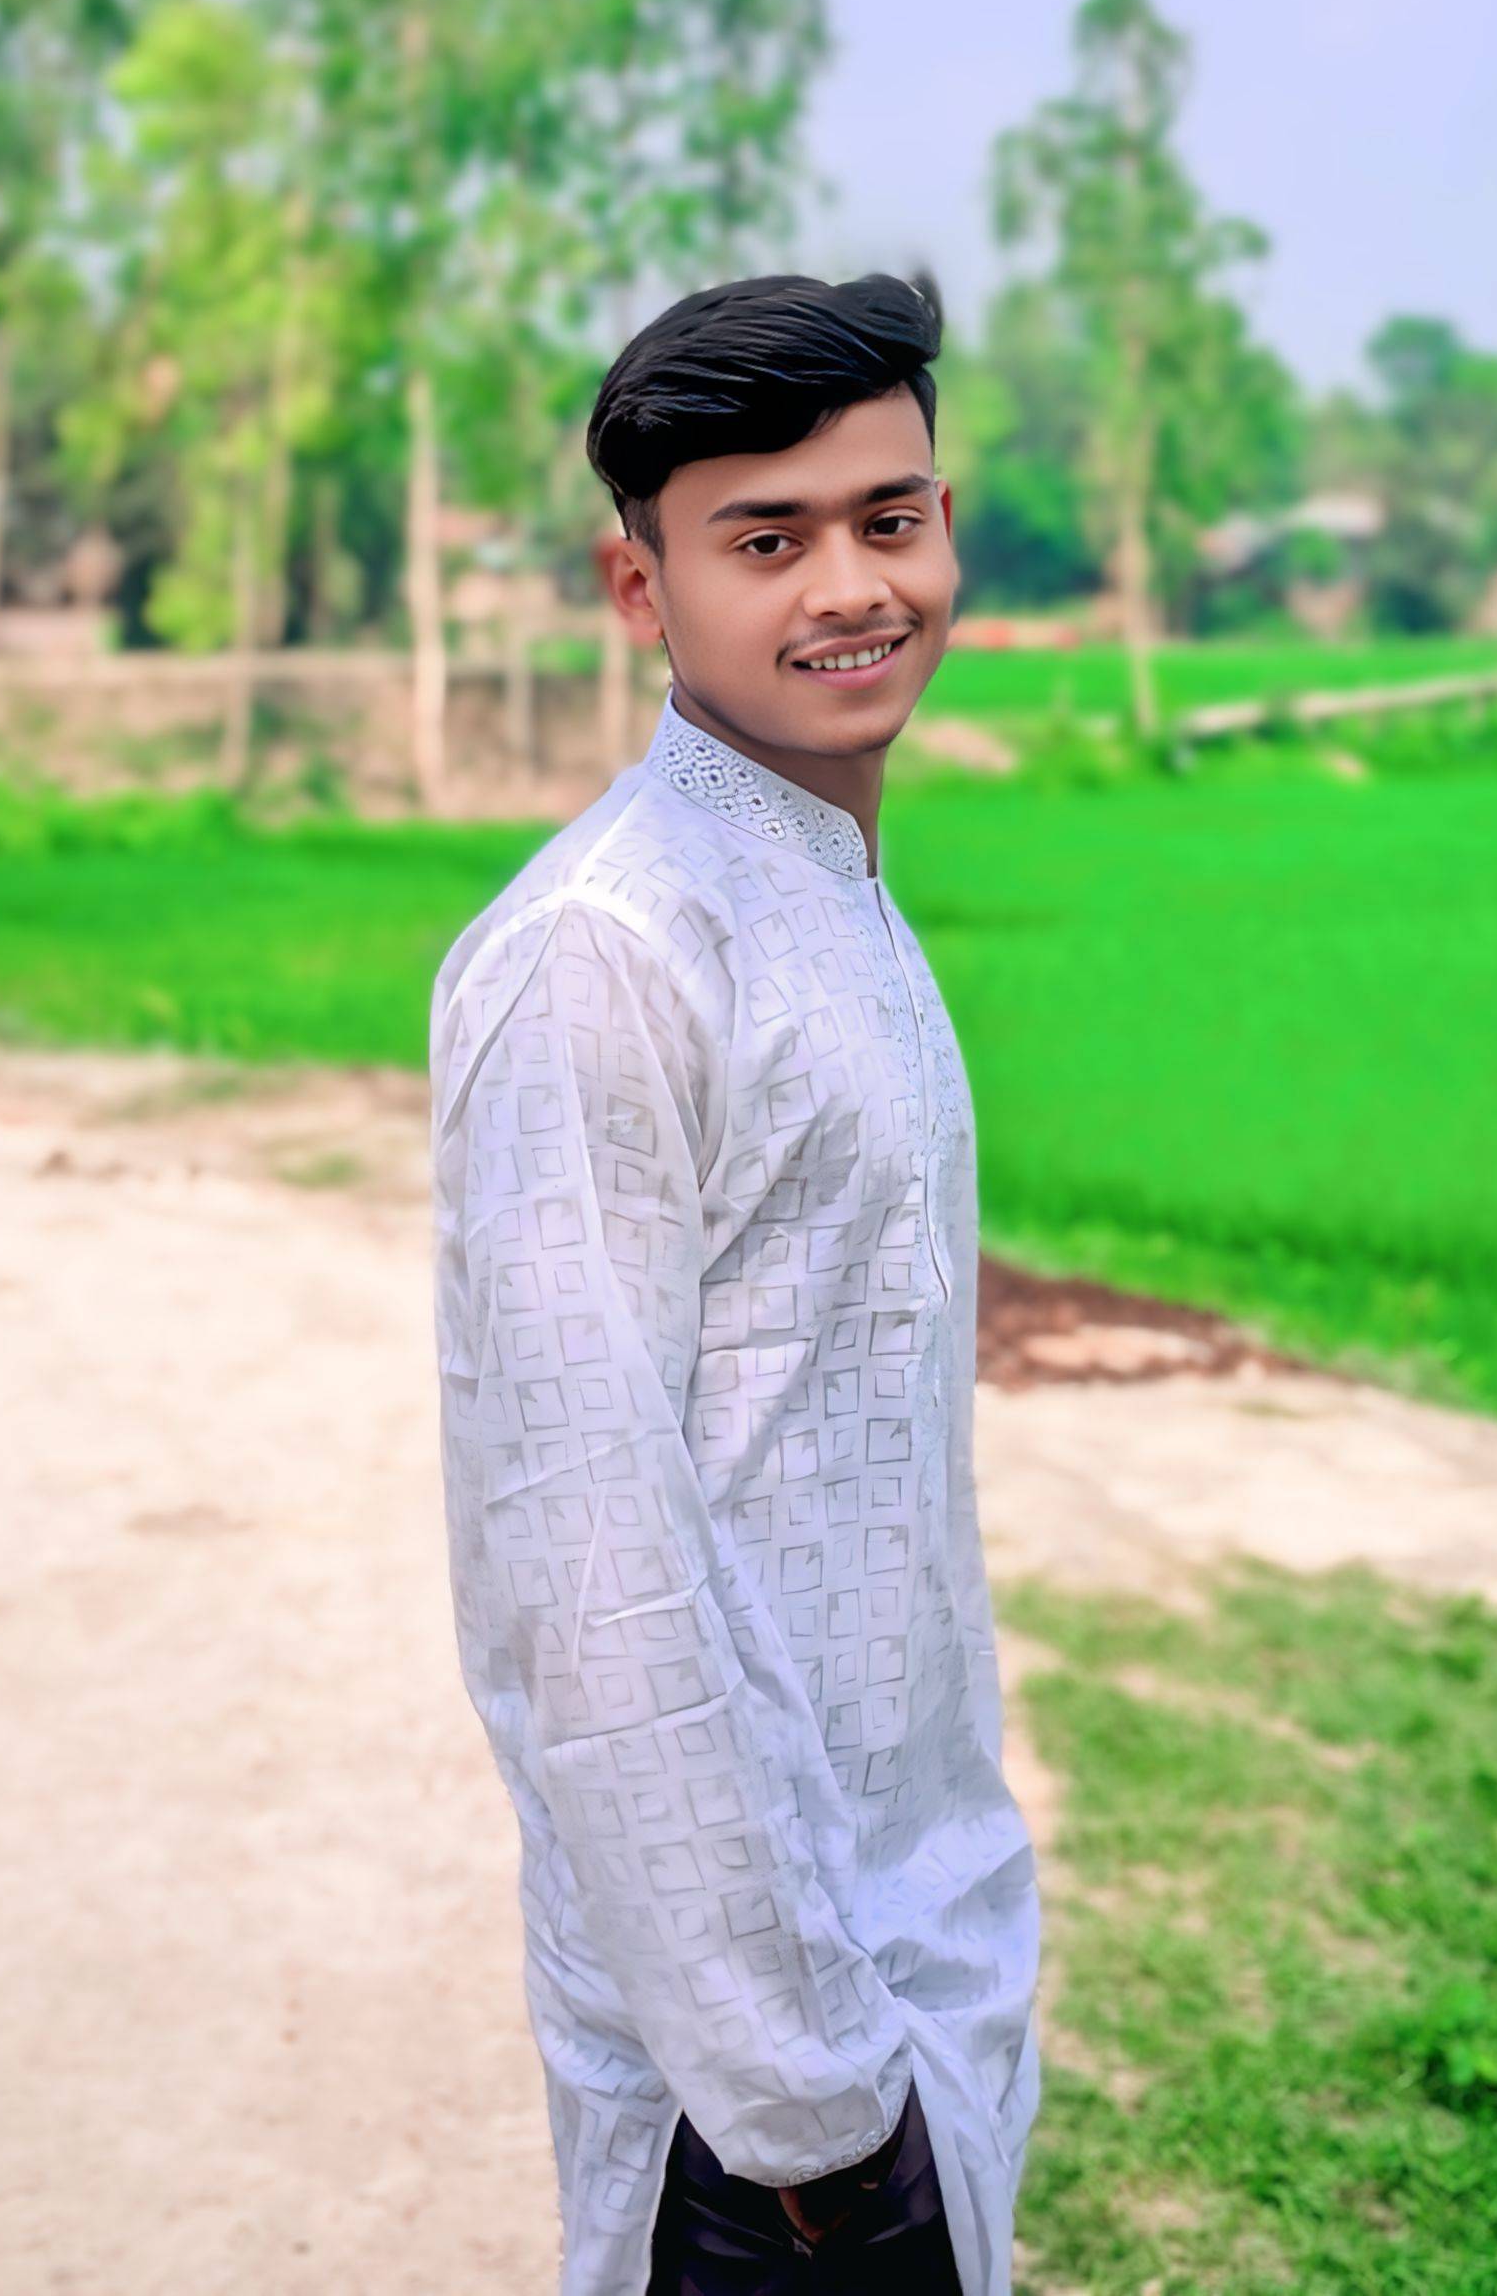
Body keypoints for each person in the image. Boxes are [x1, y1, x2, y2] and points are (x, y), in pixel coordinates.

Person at [429, 270, 1040, 2296]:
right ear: (643, 586)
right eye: (765, 541)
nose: (851, 587)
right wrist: (801, 2105)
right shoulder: (605, 953)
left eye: (891, 517)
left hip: (911, 1959)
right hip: (764, 2081)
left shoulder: (826, 882)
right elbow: (584, 1563)